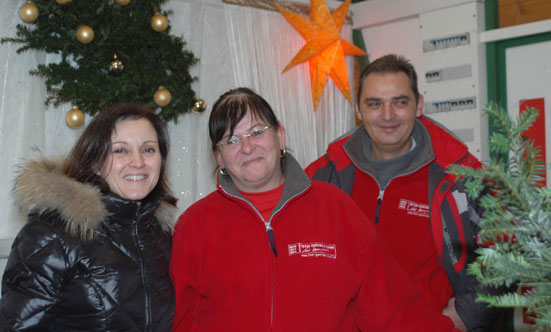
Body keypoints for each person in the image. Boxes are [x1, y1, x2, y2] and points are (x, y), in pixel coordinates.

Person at [170, 87, 462, 332]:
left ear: (280, 137)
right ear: (219, 156)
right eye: (231, 139)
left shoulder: (335, 209)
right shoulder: (195, 226)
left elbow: (391, 309)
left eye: (257, 132)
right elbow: (180, 320)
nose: (247, 147)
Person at [306, 54, 501, 331]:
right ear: (359, 110)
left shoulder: (460, 175)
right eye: (374, 104)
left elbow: (507, 250)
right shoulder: (325, 175)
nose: (387, 116)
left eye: (400, 102)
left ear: (418, 105)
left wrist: (469, 314)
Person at [1, 103, 177, 332]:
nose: (138, 162)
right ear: (96, 162)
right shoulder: (51, 235)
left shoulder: (161, 235)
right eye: (120, 150)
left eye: (148, 150)